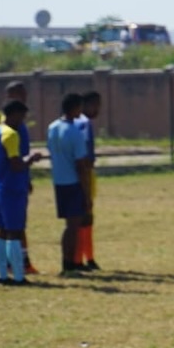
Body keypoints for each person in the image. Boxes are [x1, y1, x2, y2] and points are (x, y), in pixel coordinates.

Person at [0, 99, 43, 284]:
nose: (22, 121)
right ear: (13, 114)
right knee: (15, 230)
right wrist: (31, 158)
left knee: (2, 231)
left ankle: (2, 275)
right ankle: (19, 276)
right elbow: (15, 164)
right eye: (21, 116)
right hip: (13, 188)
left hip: (0, 186)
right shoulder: (12, 135)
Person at [46, 93, 93, 276]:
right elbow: (80, 165)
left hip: (59, 181)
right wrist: (87, 193)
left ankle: (69, 262)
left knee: (69, 224)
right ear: (75, 108)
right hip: (72, 182)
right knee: (73, 226)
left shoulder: (52, 127)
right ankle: (68, 265)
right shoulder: (75, 132)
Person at [4, 81, 40, 276]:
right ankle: (19, 262)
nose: (23, 98)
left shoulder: (20, 123)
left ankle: (16, 261)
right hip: (12, 179)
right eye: (18, 94)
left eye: (24, 94)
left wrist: (27, 177)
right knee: (14, 225)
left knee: (17, 223)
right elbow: (13, 158)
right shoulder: (9, 125)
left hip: (20, 176)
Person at [76, 91, 102, 271]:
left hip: (79, 172)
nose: (98, 109)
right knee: (86, 214)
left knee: (84, 215)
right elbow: (84, 152)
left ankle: (85, 257)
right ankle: (87, 257)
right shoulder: (85, 123)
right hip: (85, 172)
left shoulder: (77, 122)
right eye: (96, 105)